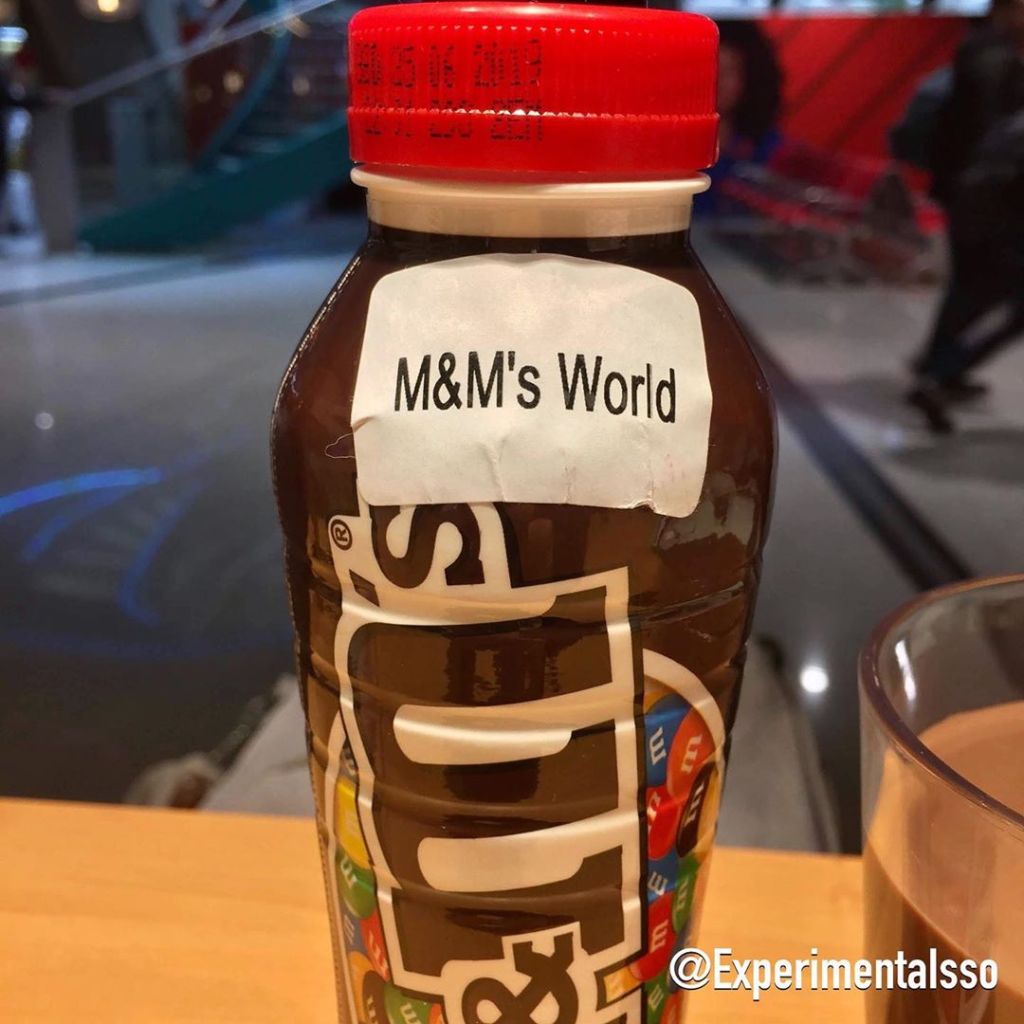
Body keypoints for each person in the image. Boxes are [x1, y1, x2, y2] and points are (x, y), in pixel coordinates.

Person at [907, 0, 1024, 433]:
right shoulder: (995, 59)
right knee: (990, 290)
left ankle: (938, 367)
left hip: (977, 194)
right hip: (990, 199)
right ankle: (940, 371)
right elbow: (994, 139)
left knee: (968, 287)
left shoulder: (981, 52)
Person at [707, 20, 783, 204]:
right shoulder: (671, 151)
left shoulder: (771, 148)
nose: (718, 80)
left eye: (730, 71)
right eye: (711, 67)